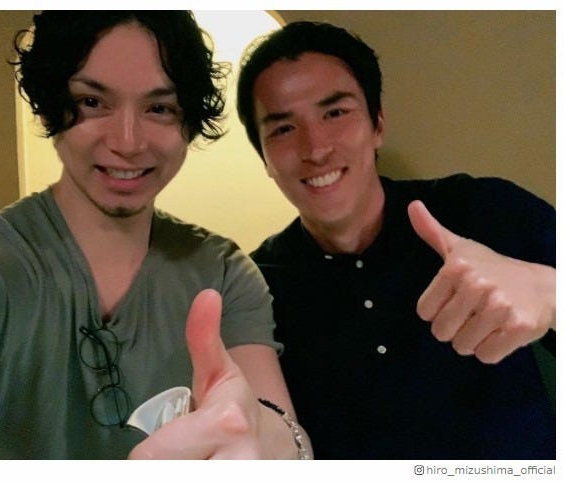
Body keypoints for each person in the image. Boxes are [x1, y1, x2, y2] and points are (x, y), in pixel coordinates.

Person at [0, 11, 312, 460]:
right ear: (49, 107)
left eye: (159, 108)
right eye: (91, 102)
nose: (127, 142)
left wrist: (261, 439)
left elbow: (283, 431)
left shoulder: (223, 272)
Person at [236, 20, 555, 459]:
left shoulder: (484, 209)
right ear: (265, 159)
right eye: (283, 129)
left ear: (378, 125)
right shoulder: (252, 290)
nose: (316, 148)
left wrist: (549, 291)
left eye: (335, 113)